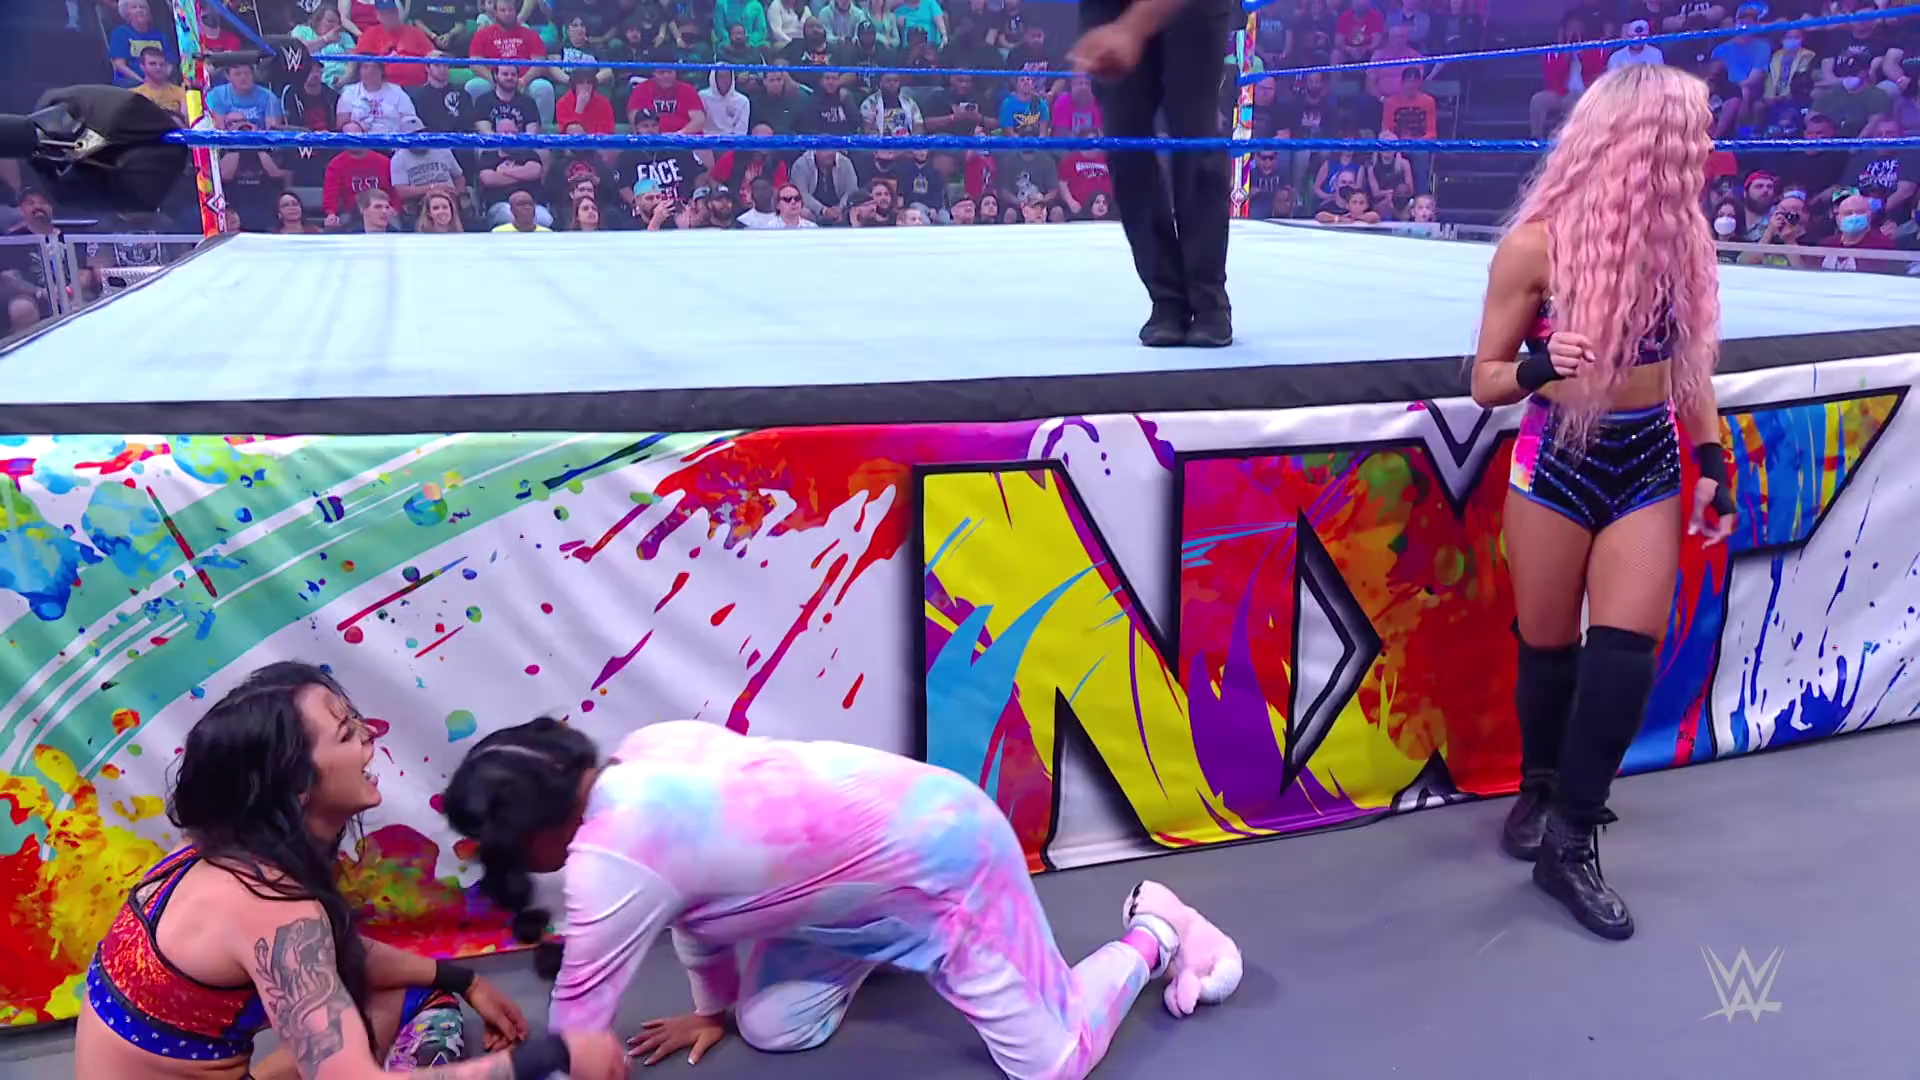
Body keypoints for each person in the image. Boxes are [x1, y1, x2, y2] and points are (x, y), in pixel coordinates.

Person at [442, 718, 1244, 1077]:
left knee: (1051, 1066)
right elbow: (690, 902)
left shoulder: (612, 857)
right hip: (844, 903)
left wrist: (558, 1063)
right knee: (771, 1028)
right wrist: (713, 1011)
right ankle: (880, 956)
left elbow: (577, 1042)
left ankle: (1157, 930)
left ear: (534, 833)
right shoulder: (643, 751)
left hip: (948, 864)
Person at [1469, 65, 1737, 942]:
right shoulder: (1536, 247)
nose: (1703, 147)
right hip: (1557, 454)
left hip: (1647, 457)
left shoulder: (1683, 243)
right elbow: (1484, 381)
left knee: (1625, 651)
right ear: (1643, 144)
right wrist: (1542, 366)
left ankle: (1572, 838)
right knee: (1548, 645)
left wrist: (1710, 458)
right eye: (1690, 134)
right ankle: (1540, 786)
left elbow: (1690, 368)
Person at [72, 662, 630, 1080]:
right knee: (392, 1022)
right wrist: (549, 1057)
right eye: (346, 734)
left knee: (405, 996)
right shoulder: (270, 905)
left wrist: (462, 979)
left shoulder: (217, 854)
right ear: (297, 786)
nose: (369, 737)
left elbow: (331, 951)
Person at [1068, 0, 1234, 348]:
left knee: (1196, 143)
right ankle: (1167, 300)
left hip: (1190, 10)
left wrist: (1131, 28)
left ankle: (1208, 301)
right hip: (1110, 8)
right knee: (1125, 146)